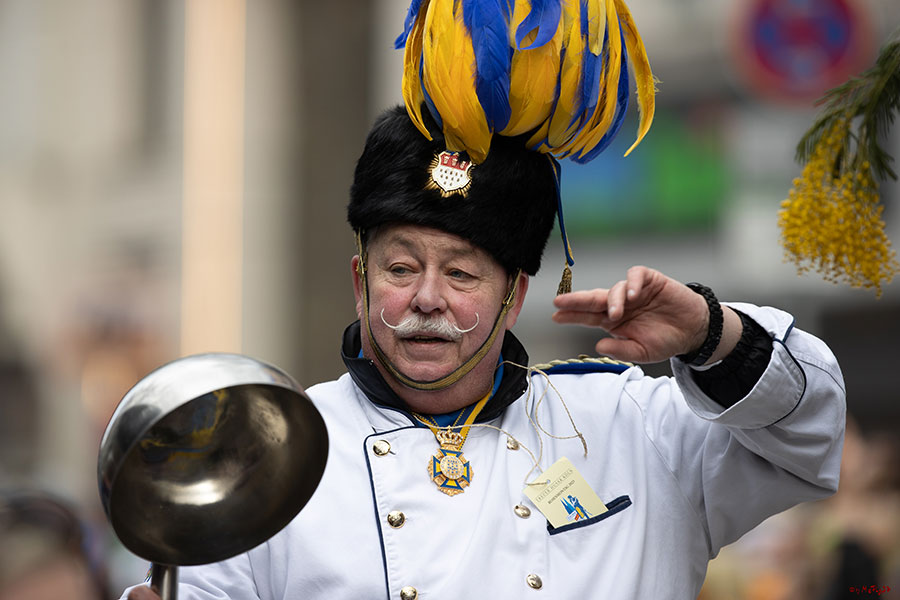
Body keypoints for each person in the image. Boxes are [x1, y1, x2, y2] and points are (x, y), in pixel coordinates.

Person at [123, 2, 845, 597]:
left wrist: (713, 333)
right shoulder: (270, 456)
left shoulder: (632, 425)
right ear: (359, 280)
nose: (426, 298)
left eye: (463, 275)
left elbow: (810, 436)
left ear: (514, 296)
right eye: (400, 268)